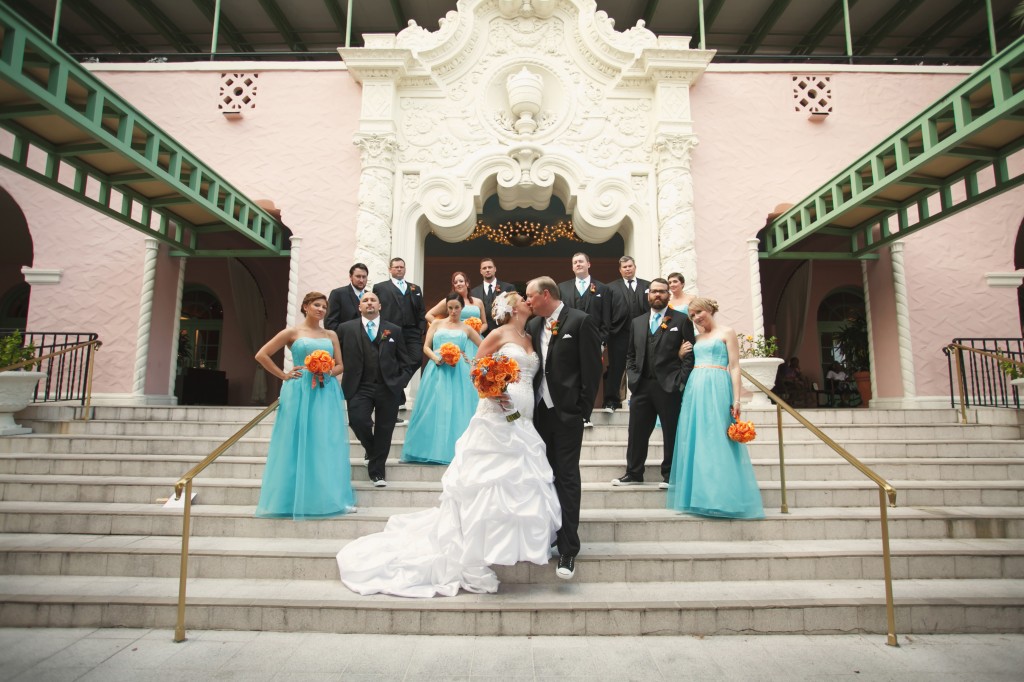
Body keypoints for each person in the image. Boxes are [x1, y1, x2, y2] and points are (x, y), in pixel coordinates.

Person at [337, 291, 561, 597]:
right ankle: (477, 544)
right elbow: (476, 368)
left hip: (524, 416)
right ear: (511, 308)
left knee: (520, 478)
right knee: (489, 480)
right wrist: (493, 391)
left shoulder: (530, 334)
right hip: (497, 414)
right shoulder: (498, 333)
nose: (526, 300)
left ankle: (512, 541)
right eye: (521, 298)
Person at [526, 276, 603, 579]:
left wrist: (581, 410)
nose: (528, 301)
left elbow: (592, 368)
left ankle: (569, 548)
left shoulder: (580, 321)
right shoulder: (533, 327)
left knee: (567, 475)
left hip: (567, 414)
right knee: (543, 476)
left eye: (531, 296)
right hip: (537, 415)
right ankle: (547, 534)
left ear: (546, 294)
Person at [253, 291, 354, 519]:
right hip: (298, 389)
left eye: (324, 307)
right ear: (306, 306)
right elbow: (262, 355)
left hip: (325, 391)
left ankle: (326, 497)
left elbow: (341, 365)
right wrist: (283, 375)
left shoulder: (331, 334)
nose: (321, 310)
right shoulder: (292, 332)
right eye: (317, 305)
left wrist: (327, 370)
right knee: (295, 440)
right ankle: (289, 498)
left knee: (323, 441)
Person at [668, 297, 764, 519]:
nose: (696, 317)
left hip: (718, 385)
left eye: (699, 312)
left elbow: (735, 366)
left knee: (719, 439)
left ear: (710, 309)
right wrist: (681, 355)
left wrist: (737, 399)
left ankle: (723, 496)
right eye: (692, 315)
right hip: (695, 387)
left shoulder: (727, 332)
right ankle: (699, 496)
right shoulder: (696, 337)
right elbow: (686, 361)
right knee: (697, 438)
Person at [612, 278, 695, 488]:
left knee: (671, 431)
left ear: (668, 294)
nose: (657, 295)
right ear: (648, 295)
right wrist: (632, 377)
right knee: (637, 432)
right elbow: (630, 354)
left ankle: (670, 475)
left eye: (662, 292)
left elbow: (690, 354)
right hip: (642, 386)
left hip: (669, 385)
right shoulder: (637, 322)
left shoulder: (681, 320)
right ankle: (633, 473)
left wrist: (680, 380)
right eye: (654, 292)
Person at [337, 291, 415, 487]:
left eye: (373, 300)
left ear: (380, 306)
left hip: (388, 388)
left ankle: (377, 472)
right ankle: (373, 453)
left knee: (384, 429)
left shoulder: (394, 330)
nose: (369, 303)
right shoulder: (345, 329)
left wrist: (400, 382)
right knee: (358, 421)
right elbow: (335, 357)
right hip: (358, 386)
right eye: (365, 300)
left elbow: (406, 361)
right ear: (359, 307)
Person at [401, 293, 482, 465]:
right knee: (434, 405)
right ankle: (428, 448)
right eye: (450, 308)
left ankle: (456, 449)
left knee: (457, 406)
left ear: (462, 308)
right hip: (436, 368)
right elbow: (426, 347)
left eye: (456, 308)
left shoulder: (467, 328)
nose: (453, 311)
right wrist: (436, 358)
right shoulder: (437, 323)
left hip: (458, 370)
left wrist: (470, 360)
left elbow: (483, 347)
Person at [604, 256, 651, 412]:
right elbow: (607, 311)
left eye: (630, 266)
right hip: (618, 334)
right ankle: (612, 401)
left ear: (635, 267)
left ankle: (643, 400)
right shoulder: (610, 287)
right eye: (624, 267)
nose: (628, 269)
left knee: (643, 366)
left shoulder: (647, 285)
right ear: (620, 270)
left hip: (642, 334)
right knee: (616, 368)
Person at [372, 257, 427, 384]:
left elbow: (421, 310)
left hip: (412, 331)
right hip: (391, 331)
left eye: (401, 267)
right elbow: (376, 309)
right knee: (391, 359)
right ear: (390, 269)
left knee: (417, 359)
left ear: (405, 269)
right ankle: (397, 392)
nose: (399, 269)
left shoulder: (415, 288)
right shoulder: (380, 287)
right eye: (396, 267)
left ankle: (398, 383)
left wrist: (420, 329)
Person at [557, 252, 612, 346]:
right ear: (572, 267)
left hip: (594, 339)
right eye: (575, 263)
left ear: (589, 264)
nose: (578, 264)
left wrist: (602, 340)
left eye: (581, 261)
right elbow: (558, 314)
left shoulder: (603, 288)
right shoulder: (562, 288)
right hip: (568, 339)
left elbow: (606, 316)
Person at [470, 257, 515, 336]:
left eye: (490, 267)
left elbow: (514, 310)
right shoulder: (473, 292)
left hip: (503, 332)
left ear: (495, 269)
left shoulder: (508, 288)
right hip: (483, 334)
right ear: (481, 271)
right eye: (484, 268)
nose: (487, 270)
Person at [325, 263, 369, 333]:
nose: (361, 280)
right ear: (350, 277)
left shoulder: (370, 296)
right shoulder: (338, 294)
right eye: (358, 276)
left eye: (364, 277)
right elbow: (330, 323)